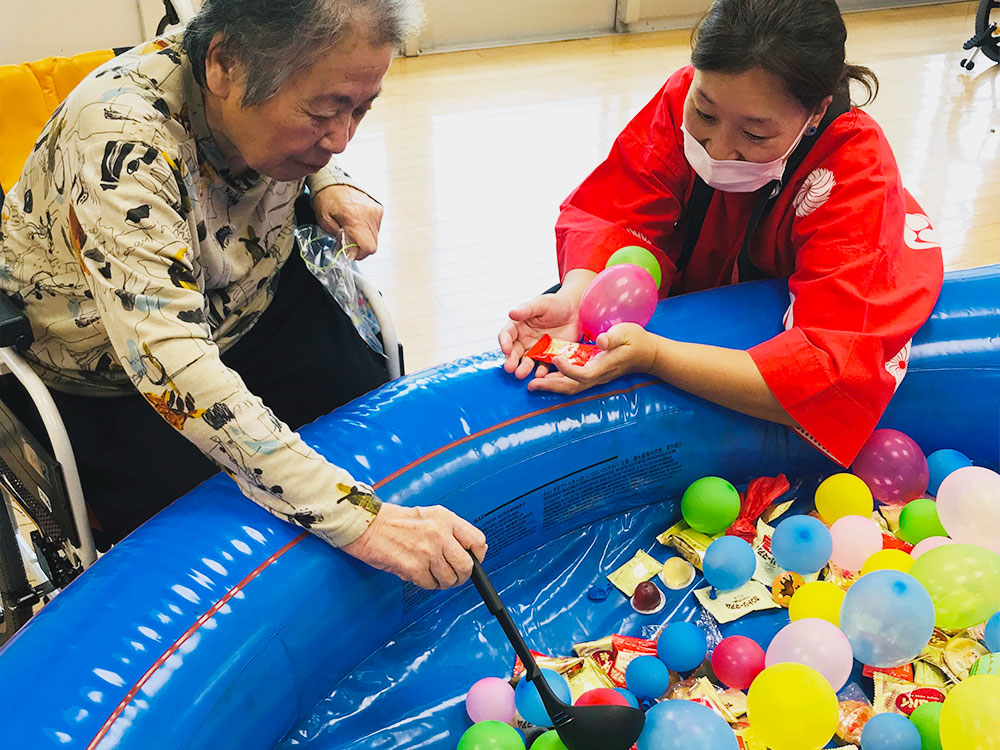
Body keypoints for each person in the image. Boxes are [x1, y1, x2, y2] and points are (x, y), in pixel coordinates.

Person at [0, 0, 486, 589]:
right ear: (223, 68)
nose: (341, 139)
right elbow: (172, 364)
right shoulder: (120, 138)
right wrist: (361, 523)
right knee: (213, 566)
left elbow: (318, 116)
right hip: (116, 374)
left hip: (254, 302)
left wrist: (330, 180)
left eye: (360, 108)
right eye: (323, 112)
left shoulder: (251, 58)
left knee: (381, 450)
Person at [499, 0, 944, 468]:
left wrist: (655, 357)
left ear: (814, 114)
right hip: (703, 277)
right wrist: (578, 297)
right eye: (705, 114)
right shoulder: (683, 96)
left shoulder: (853, 170)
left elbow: (831, 367)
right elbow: (615, 209)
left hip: (791, 297)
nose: (718, 147)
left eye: (755, 135)